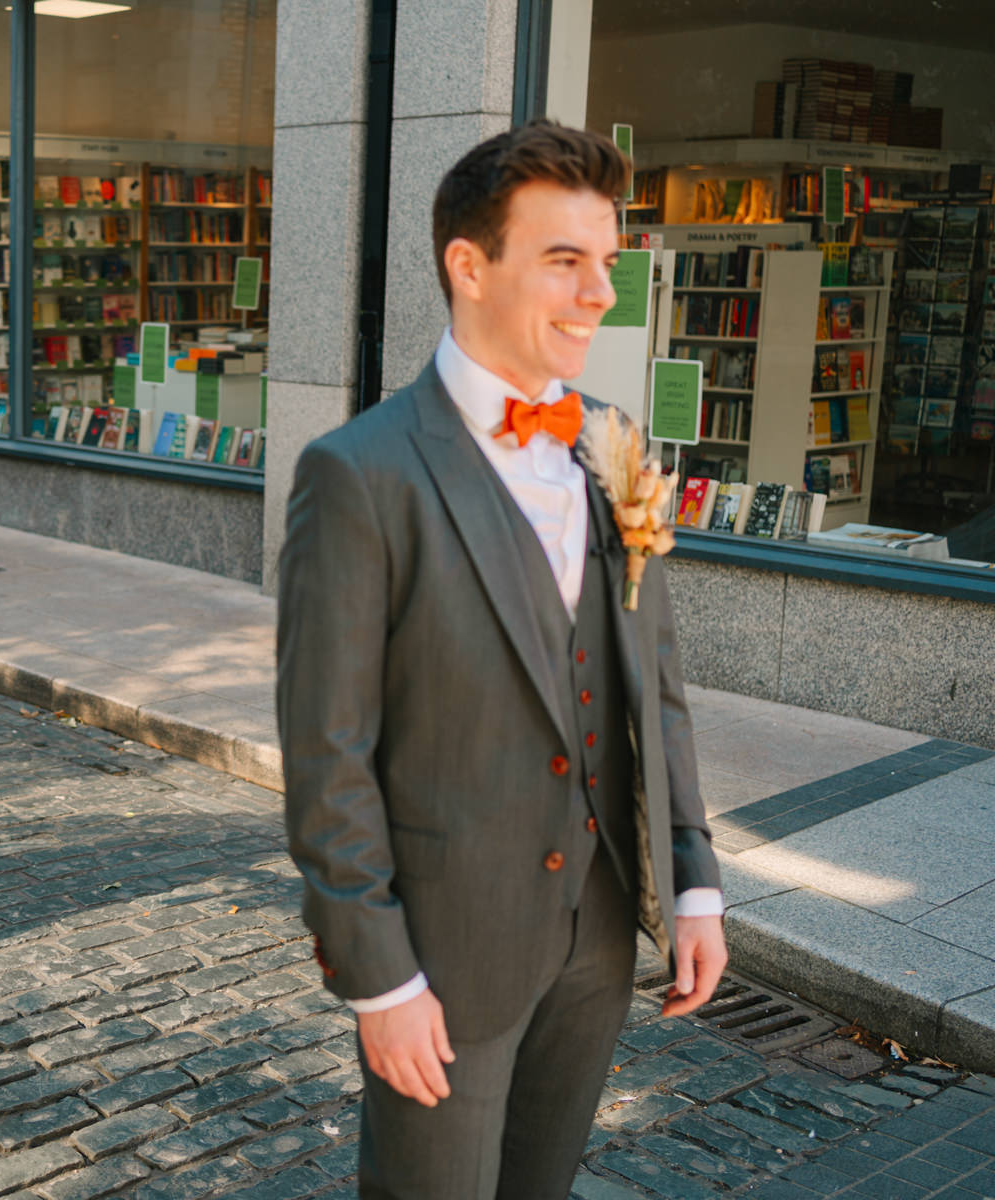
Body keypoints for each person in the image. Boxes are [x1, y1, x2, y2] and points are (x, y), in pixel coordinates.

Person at [276, 121, 727, 1199]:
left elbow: (653, 680)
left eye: (606, 264)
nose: (598, 296)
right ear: (467, 267)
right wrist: (378, 980)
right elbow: (328, 753)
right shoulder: (360, 474)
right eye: (564, 262)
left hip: (599, 934)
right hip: (447, 948)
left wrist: (694, 879)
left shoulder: (613, 442)